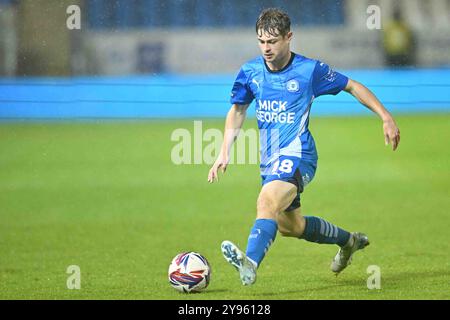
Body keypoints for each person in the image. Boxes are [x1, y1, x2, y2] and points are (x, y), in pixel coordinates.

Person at [207, 8, 400, 286]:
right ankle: (349, 241)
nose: (266, 48)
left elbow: (353, 86)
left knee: (266, 202)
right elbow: (238, 109)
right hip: (270, 160)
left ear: (289, 37)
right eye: (261, 41)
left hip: (299, 154)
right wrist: (224, 150)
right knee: (290, 226)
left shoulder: (310, 70)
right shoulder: (250, 72)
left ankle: (250, 262)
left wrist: (386, 116)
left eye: (272, 42)